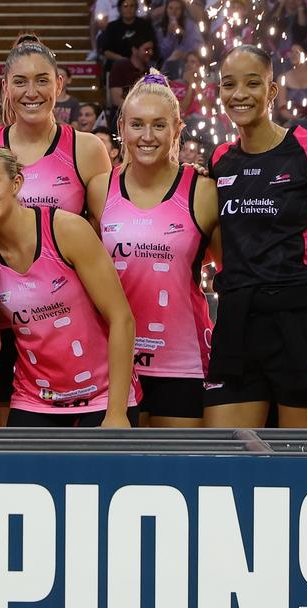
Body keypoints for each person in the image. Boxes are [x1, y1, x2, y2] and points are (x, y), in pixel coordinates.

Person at [205, 45, 307, 429]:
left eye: (252, 83)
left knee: (299, 468)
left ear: (272, 91)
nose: (239, 94)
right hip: (237, 324)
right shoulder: (219, 160)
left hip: (300, 324)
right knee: (225, 465)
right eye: (229, 84)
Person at [0, 143, 136, 427]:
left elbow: (122, 319)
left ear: (16, 183)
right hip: (34, 398)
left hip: (103, 397)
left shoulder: (67, 230)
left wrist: (116, 413)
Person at [87, 71, 219, 427]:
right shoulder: (99, 189)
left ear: (177, 129)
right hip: (113, 362)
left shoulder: (203, 192)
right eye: (137, 125)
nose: (147, 137)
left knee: (176, 475)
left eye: (159, 125)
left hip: (181, 363)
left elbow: (232, 269)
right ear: (122, 128)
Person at [0, 35, 112, 216]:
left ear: (59, 84)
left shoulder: (87, 149)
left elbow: (101, 233)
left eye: (42, 80)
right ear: (6, 88)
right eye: (20, 82)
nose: (31, 93)